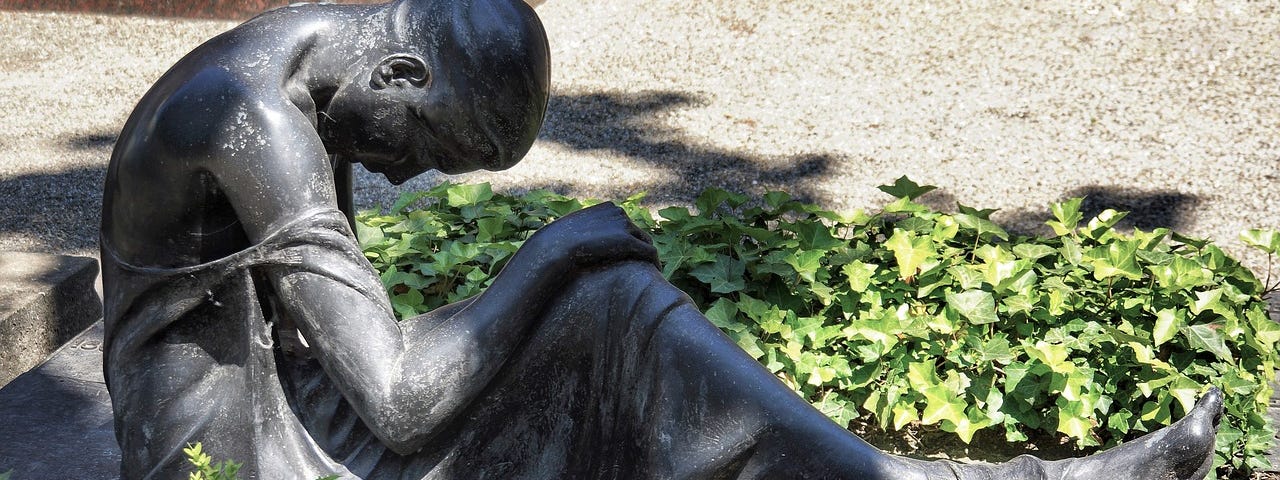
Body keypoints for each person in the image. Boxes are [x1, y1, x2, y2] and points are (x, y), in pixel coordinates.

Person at [100, 0, 1221, 478]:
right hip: (245, 455)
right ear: (398, 74)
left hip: (300, 395)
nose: (402, 173)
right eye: (425, 147)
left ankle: (904, 478)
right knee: (592, 289)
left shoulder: (320, 60)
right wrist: (553, 252)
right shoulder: (247, 119)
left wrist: (571, 272)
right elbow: (395, 401)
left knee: (614, 311)